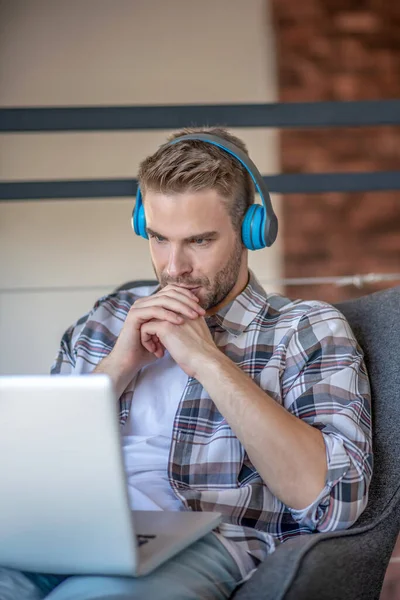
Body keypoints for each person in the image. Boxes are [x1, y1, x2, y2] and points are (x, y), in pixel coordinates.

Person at [1, 127, 373, 600]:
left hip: (202, 540)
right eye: (158, 238)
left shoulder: (305, 329)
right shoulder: (106, 320)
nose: (173, 267)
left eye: (199, 241)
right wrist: (117, 366)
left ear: (251, 231)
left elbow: (334, 502)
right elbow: (29, 468)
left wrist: (208, 361)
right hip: (62, 529)